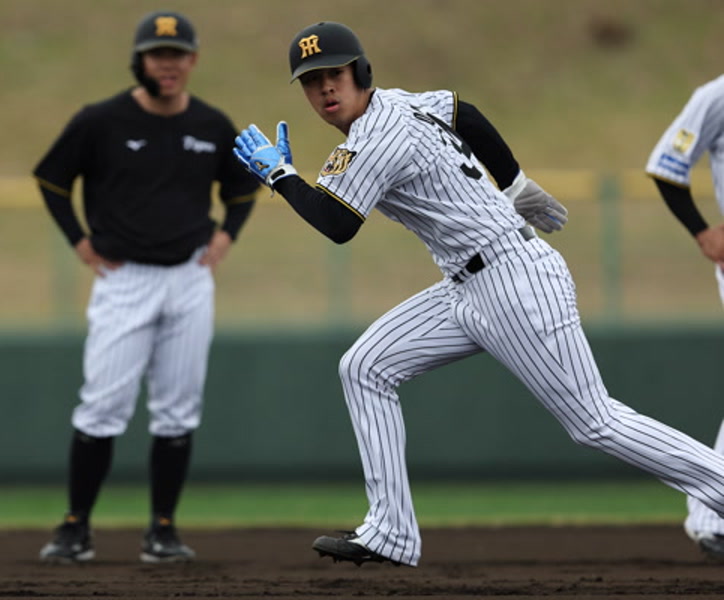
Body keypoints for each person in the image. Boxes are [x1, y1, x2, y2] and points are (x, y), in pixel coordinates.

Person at [233, 21, 724, 568]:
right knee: (365, 366)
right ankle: (391, 532)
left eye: (335, 73)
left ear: (362, 72)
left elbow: (337, 223)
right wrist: (513, 182)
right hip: (467, 284)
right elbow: (463, 112)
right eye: (311, 80)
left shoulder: (376, 136)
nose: (325, 87)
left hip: (513, 282)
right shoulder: (401, 103)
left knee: (595, 423)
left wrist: (280, 176)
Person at [34, 10, 258, 564]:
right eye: (158, 54)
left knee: (178, 408)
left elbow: (243, 185)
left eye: (177, 54)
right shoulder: (101, 120)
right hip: (124, 277)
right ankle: (75, 526)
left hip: (189, 277)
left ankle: (162, 529)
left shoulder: (210, 124)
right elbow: (52, 178)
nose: (168, 64)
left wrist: (227, 236)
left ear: (193, 60)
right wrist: (78, 241)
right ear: (140, 61)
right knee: (102, 404)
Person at [646, 73, 724, 559]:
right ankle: (709, 516)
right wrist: (701, 230)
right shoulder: (717, 97)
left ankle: (711, 516)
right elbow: (666, 165)